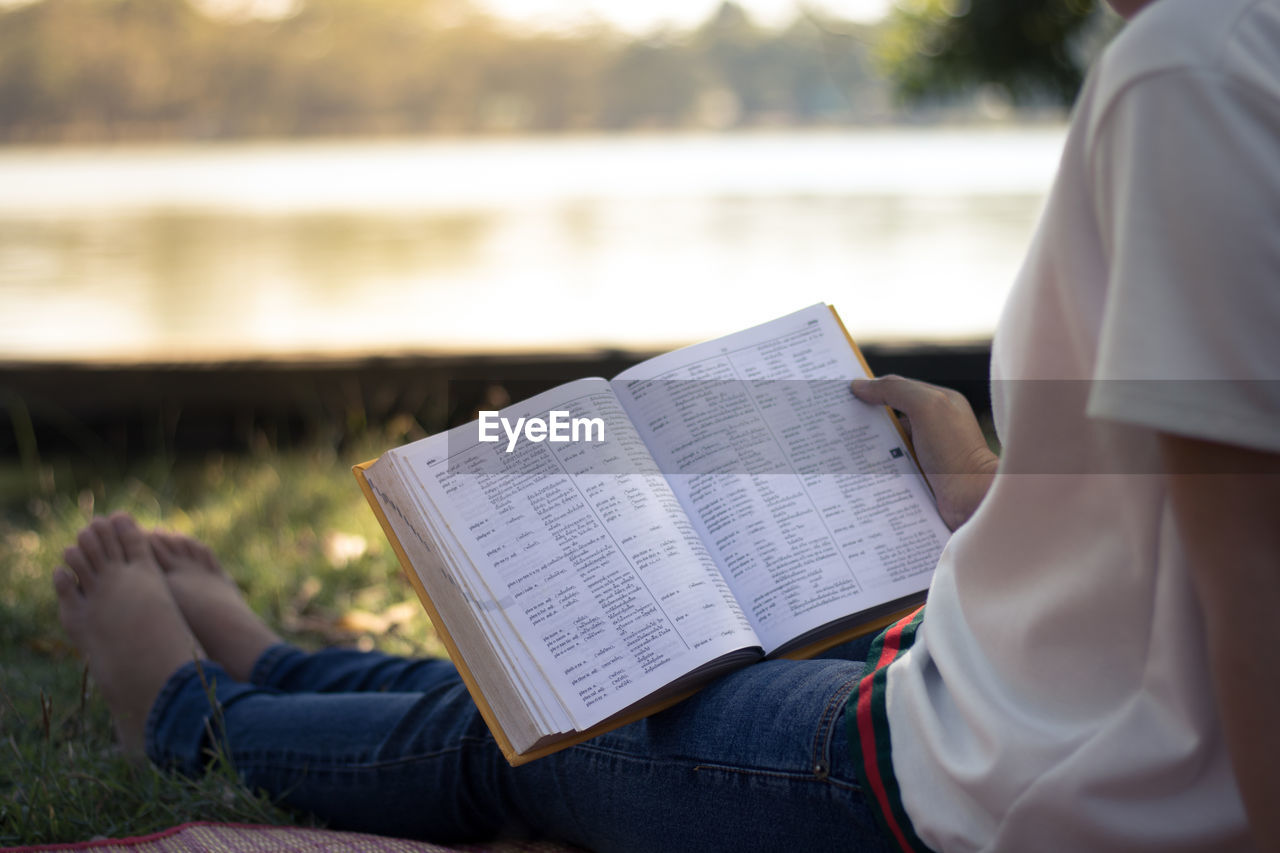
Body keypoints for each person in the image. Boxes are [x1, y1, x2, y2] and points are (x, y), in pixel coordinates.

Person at [53, 0, 1279, 849]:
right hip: (1056, 703)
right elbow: (1202, 520)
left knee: (561, 735)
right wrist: (992, 497)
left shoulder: (1199, 63)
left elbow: (1252, 580)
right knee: (584, 680)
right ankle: (281, 670)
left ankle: (187, 718)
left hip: (1010, 787)